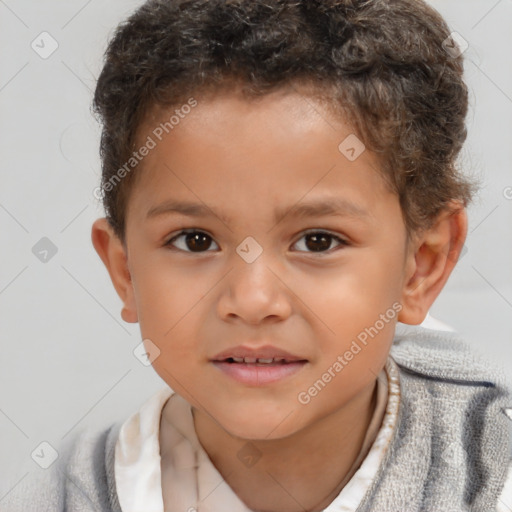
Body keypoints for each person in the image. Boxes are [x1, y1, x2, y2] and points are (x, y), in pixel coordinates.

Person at [3, 0, 512, 510]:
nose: (252, 300)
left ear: (421, 265)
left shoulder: (494, 476)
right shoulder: (59, 495)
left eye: (318, 241)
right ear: (125, 271)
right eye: (194, 240)